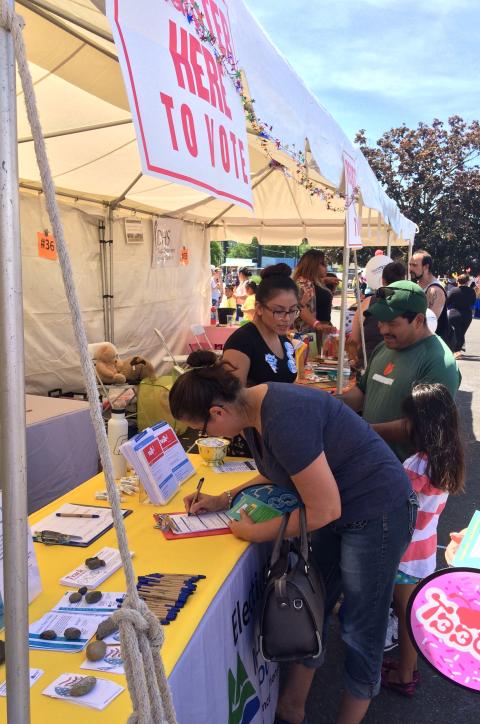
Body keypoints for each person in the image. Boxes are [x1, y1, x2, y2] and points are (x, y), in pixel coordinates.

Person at [169, 351, 416, 724]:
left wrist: (255, 533)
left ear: (217, 412)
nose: (207, 436)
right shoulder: (252, 410)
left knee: (360, 626)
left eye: (202, 428)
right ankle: (291, 705)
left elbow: (324, 510)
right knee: (312, 601)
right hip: (341, 505)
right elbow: (280, 470)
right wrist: (224, 498)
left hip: (377, 509)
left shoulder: (282, 416)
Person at [382, 383, 465, 697]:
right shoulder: (447, 457)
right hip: (425, 548)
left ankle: (405, 675)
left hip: (405, 550)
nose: (404, 425)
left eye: (408, 419)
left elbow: (393, 501)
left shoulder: (417, 465)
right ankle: (408, 668)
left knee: (406, 615)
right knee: (410, 611)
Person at [341, 280, 461, 461]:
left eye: (392, 323)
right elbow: (362, 392)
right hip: (368, 459)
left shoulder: (440, 362)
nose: (383, 329)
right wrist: (328, 405)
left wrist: (364, 432)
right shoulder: (384, 348)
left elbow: (419, 426)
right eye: (380, 321)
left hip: (403, 474)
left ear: (418, 320)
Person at [222, 264, 299, 386]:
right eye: (279, 311)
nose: (287, 318)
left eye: (293, 310)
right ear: (259, 308)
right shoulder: (241, 342)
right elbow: (230, 398)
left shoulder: (285, 343)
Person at [347, 262, 406, 367]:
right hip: (397, 369)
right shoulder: (409, 305)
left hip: (368, 366)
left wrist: (353, 361)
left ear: (383, 281)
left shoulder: (366, 304)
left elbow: (353, 341)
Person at [409, 249, 451, 347]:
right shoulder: (416, 285)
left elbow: (431, 323)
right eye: (410, 265)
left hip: (434, 346)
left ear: (426, 267)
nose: (410, 268)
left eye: (414, 265)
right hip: (419, 343)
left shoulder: (435, 290)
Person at [293, 249, 333, 333]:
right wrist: (317, 324)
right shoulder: (304, 284)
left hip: (319, 329)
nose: (326, 267)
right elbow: (301, 308)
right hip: (310, 332)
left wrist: (325, 280)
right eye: (323, 264)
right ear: (313, 265)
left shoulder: (314, 282)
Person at [447, 273, 476, 358]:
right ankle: (457, 350)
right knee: (461, 333)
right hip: (467, 315)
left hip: (454, 314)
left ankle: (456, 350)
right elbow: (473, 302)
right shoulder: (472, 291)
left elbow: (447, 302)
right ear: (467, 282)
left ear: (458, 281)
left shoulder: (454, 290)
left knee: (456, 333)